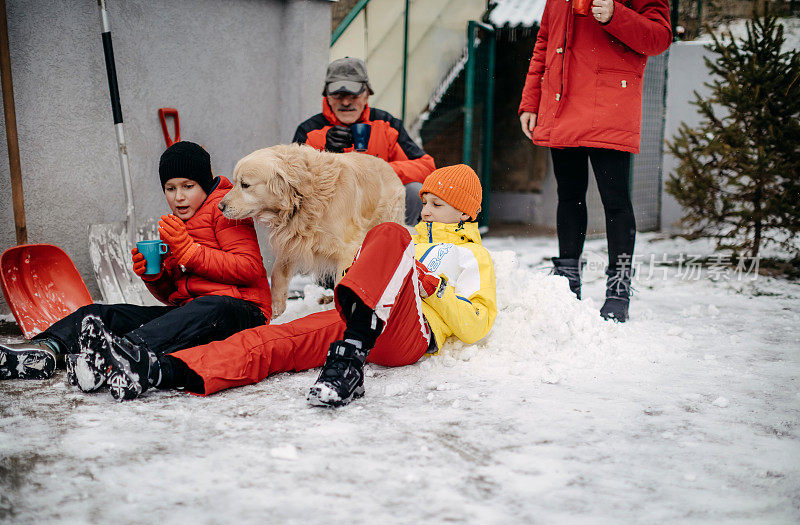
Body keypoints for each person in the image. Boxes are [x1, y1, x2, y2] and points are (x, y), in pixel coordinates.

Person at [68, 164, 497, 406]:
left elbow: (478, 323)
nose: (424, 212)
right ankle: (157, 370)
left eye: (436, 205)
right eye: (423, 202)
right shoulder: (416, 239)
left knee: (387, 232)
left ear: (463, 213)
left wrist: (435, 286)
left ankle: (348, 359)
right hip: (355, 326)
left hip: (409, 335)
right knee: (272, 340)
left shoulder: (471, 256)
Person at [0, 141, 272, 389]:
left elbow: (249, 268)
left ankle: (119, 351)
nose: (179, 197)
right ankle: (45, 349)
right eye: (170, 188)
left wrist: (189, 252)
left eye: (188, 186)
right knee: (102, 313)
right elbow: (175, 297)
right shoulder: (178, 225)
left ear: (204, 184)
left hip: (242, 313)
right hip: (194, 315)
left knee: (211, 306)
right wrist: (155, 277)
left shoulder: (226, 211)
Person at [518, 0, 671, 322]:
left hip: (610, 102)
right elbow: (544, 43)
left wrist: (617, 15)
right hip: (561, 102)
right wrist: (531, 101)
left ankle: (618, 289)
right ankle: (567, 285)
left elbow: (658, 39)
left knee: (615, 201)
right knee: (569, 196)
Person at [293, 57, 436, 226]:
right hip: (331, 218)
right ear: (327, 96)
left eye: (353, 94)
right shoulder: (309, 131)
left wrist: (379, 170)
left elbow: (427, 167)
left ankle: (401, 247)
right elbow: (295, 186)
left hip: (380, 210)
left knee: (414, 191)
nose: (346, 102)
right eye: (338, 95)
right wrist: (327, 156)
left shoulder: (386, 124)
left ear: (367, 94)